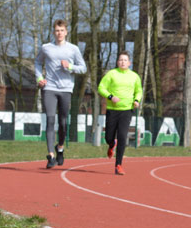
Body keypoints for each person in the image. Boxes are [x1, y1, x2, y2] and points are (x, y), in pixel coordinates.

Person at [34, 19, 87, 168]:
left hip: (66, 89)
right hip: (49, 87)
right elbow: (38, 62)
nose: (59, 33)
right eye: (57, 30)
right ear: (53, 32)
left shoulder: (73, 49)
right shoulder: (46, 48)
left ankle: (60, 148)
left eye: (62, 30)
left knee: (63, 122)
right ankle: (50, 155)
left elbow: (83, 68)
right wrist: (39, 78)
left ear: (66, 32)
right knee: (50, 120)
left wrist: (70, 66)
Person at [97, 50, 142, 175]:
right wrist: (111, 97)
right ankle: (111, 144)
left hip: (126, 110)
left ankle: (118, 165)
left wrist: (137, 100)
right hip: (112, 110)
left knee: (122, 136)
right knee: (108, 137)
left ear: (129, 63)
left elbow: (139, 90)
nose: (122, 62)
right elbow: (101, 88)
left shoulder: (134, 76)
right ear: (117, 62)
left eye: (125, 60)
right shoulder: (111, 74)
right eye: (120, 60)